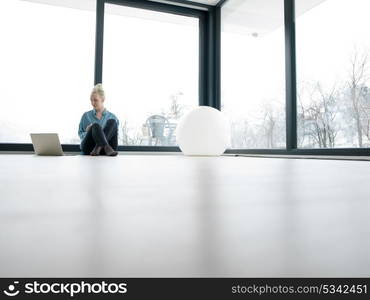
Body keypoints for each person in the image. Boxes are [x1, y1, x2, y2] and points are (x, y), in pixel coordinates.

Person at [78, 84, 119, 156]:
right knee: (95, 126)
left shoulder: (113, 117)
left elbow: (114, 137)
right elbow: (81, 135)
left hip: (107, 151)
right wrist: (88, 132)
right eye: (91, 100)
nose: (92, 103)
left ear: (103, 100)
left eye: (95, 100)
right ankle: (105, 146)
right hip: (90, 148)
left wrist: (101, 135)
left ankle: (98, 147)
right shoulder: (86, 116)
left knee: (112, 121)